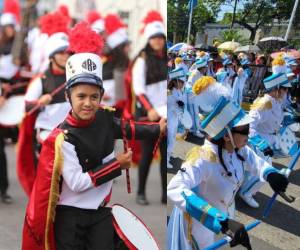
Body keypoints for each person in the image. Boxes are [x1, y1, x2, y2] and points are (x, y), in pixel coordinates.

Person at [22, 51, 166, 250]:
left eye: (94, 96)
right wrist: (117, 165)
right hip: (70, 217)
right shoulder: (63, 138)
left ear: (101, 96)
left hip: (100, 211)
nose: (88, 103)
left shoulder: (104, 118)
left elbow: (127, 128)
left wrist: (157, 128)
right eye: (81, 96)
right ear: (68, 96)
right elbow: (78, 183)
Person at [167, 76, 289, 249]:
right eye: (244, 131)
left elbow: (254, 160)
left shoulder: (238, 148)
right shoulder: (203, 158)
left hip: (223, 216)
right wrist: (221, 221)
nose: (249, 135)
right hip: (198, 227)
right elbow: (174, 188)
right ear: (226, 135)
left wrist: (270, 174)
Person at [239, 72, 292, 208]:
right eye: (285, 89)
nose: (287, 91)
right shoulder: (264, 103)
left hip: (269, 138)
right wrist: (261, 144)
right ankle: (246, 193)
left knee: (252, 169)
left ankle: (244, 187)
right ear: (277, 88)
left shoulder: (276, 101)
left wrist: (293, 119)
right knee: (265, 170)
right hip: (258, 140)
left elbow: (276, 120)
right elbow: (250, 125)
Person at [132, 10, 167, 205]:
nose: (157, 41)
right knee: (147, 153)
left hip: (165, 113)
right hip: (149, 114)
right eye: (154, 38)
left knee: (164, 155)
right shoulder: (142, 59)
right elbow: (138, 89)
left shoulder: (166, 59)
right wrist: (149, 109)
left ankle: (164, 195)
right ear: (148, 39)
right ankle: (141, 192)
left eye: (160, 37)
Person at [167, 67, 186, 169]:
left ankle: (168, 156)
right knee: (170, 139)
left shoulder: (179, 91)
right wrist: (177, 104)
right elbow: (171, 106)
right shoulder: (169, 92)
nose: (183, 84)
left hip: (175, 119)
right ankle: (166, 160)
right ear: (175, 81)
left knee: (172, 138)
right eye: (181, 82)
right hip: (169, 119)